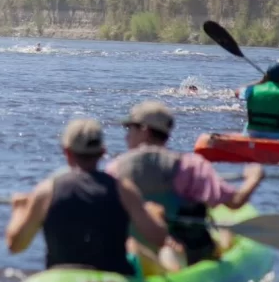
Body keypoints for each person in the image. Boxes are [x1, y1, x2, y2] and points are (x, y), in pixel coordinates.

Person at [106, 100, 265, 273]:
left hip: (134, 255)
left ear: (144, 130)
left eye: (131, 129)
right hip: (187, 256)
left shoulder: (115, 169)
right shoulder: (192, 167)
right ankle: (223, 241)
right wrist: (253, 178)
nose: (126, 136)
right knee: (226, 228)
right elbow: (235, 202)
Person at [5, 118, 169, 277]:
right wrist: (156, 216)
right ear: (102, 152)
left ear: (67, 152)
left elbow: (15, 245)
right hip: (111, 276)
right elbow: (159, 239)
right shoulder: (124, 190)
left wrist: (19, 210)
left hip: (60, 275)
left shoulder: (46, 191)